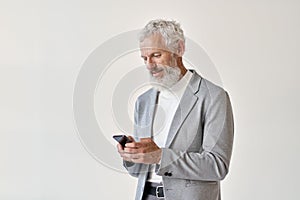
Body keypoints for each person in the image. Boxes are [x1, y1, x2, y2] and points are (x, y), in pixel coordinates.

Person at [117, 19, 234, 200]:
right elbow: (140, 171)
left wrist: (160, 156)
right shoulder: (144, 101)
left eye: (156, 55)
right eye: (144, 58)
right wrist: (132, 155)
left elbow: (217, 166)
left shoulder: (213, 97)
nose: (149, 65)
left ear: (178, 49)